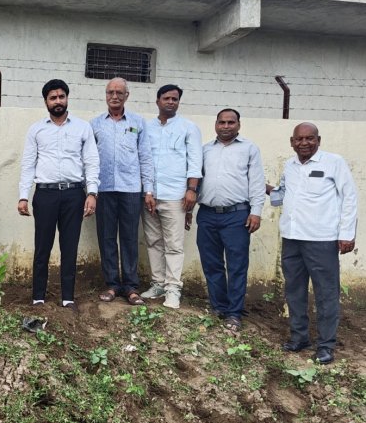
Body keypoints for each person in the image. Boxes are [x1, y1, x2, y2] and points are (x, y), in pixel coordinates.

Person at [267, 123, 357, 365]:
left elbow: (349, 197)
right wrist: (268, 189)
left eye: (309, 138)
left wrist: (347, 233)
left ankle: (326, 345)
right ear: (291, 141)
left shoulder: (333, 162)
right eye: (299, 139)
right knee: (294, 290)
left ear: (319, 140)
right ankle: (299, 338)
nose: (304, 143)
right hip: (292, 238)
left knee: (326, 294)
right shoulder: (290, 165)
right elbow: (282, 195)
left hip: (322, 240)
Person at [18, 79, 99, 308]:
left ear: (67, 98)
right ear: (46, 101)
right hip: (45, 195)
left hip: (74, 194)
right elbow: (28, 164)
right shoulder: (36, 129)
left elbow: (91, 162)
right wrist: (23, 196)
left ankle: (68, 298)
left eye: (61, 96)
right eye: (53, 98)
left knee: (69, 246)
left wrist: (92, 193)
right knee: (42, 246)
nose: (58, 101)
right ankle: (38, 296)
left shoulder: (82, 127)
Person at [196, 109, 265, 331]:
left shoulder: (249, 149)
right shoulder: (205, 150)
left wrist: (256, 211)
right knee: (212, 264)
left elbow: (256, 182)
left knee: (237, 266)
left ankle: (234, 313)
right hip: (207, 214)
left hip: (237, 216)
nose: (226, 126)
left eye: (230, 122)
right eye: (222, 122)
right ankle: (218, 307)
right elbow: (195, 180)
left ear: (238, 125)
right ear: (215, 124)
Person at [90, 77, 154, 306]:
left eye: (119, 92)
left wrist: (148, 190)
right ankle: (111, 285)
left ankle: (131, 286)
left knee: (129, 238)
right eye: (110, 92)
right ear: (105, 95)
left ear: (127, 95)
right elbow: (88, 158)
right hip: (104, 188)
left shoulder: (138, 122)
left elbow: (145, 157)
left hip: (130, 189)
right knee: (106, 237)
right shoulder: (95, 124)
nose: (114, 96)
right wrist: (90, 190)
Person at [142, 84, 202, 309]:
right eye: (166, 98)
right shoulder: (147, 128)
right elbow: (144, 161)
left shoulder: (188, 128)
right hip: (150, 196)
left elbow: (195, 161)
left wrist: (191, 190)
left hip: (176, 196)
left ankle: (173, 289)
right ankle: (157, 284)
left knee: (174, 245)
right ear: (157, 101)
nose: (171, 102)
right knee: (153, 241)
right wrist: (147, 191)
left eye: (175, 99)